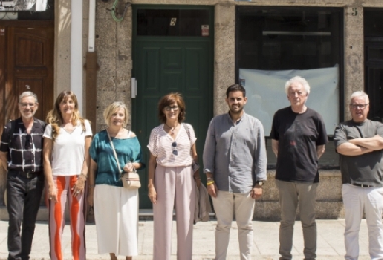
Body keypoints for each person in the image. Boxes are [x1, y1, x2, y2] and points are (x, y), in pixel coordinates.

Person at [203, 83, 266, 260]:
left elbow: (261, 154)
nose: (236, 102)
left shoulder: (255, 125)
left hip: (246, 185)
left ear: (245, 100)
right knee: (222, 226)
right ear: (227, 101)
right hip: (220, 185)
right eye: (232, 99)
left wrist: (259, 183)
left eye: (239, 99)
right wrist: (209, 179)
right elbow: (208, 152)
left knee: (245, 226)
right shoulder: (216, 123)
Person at [270, 76, 327, 260]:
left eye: (299, 92)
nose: (296, 95)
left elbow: (321, 147)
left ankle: (310, 255)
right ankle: (285, 255)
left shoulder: (315, 117)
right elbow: (275, 144)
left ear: (306, 95)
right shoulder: (280, 116)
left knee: (308, 220)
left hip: (308, 178)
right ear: (287, 96)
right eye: (292, 93)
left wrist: (308, 162)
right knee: (286, 220)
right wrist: (288, 161)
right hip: (285, 177)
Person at [334, 91, 383, 260]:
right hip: (351, 186)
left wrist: (356, 142)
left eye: (362, 105)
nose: (358, 108)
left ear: (368, 107)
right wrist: (369, 145)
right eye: (355, 105)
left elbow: (381, 142)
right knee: (351, 228)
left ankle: (378, 257)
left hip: (374, 187)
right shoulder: (343, 127)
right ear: (350, 107)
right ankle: (351, 257)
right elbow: (342, 148)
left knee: (376, 227)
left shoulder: (378, 126)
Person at [147, 93, 200, 260]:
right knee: (162, 223)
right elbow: (152, 161)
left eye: (175, 107)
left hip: (185, 174)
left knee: (185, 222)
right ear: (163, 110)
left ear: (180, 109)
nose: (172, 110)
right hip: (163, 174)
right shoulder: (156, 132)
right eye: (168, 107)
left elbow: (194, 156)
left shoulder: (188, 129)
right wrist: (151, 185)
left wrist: (197, 180)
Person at [88, 101, 144, 260]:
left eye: (120, 114)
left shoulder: (132, 137)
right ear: (108, 115)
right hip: (104, 186)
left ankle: (128, 258)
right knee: (109, 225)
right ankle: (113, 257)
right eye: (114, 114)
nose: (117, 117)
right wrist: (91, 191)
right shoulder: (99, 138)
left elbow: (141, 161)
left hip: (127, 187)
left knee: (128, 225)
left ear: (125, 117)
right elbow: (92, 165)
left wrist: (132, 165)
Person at [43, 91, 92, 260]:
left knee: (78, 224)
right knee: (56, 224)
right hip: (57, 178)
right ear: (59, 106)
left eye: (70, 102)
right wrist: (50, 183)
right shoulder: (52, 127)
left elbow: (88, 155)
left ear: (75, 105)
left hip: (77, 178)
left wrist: (82, 178)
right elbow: (46, 157)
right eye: (64, 102)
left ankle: (79, 258)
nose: (67, 105)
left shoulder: (84, 125)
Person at [0, 91, 46, 260]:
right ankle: (14, 256)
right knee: (15, 218)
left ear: (36, 106)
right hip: (16, 178)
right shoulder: (10, 127)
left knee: (30, 220)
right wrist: (11, 171)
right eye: (24, 104)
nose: (28, 107)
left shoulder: (43, 127)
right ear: (19, 107)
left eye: (31, 104)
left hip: (36, 179)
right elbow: (2, 153)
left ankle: (24, 255)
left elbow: (48, 154)